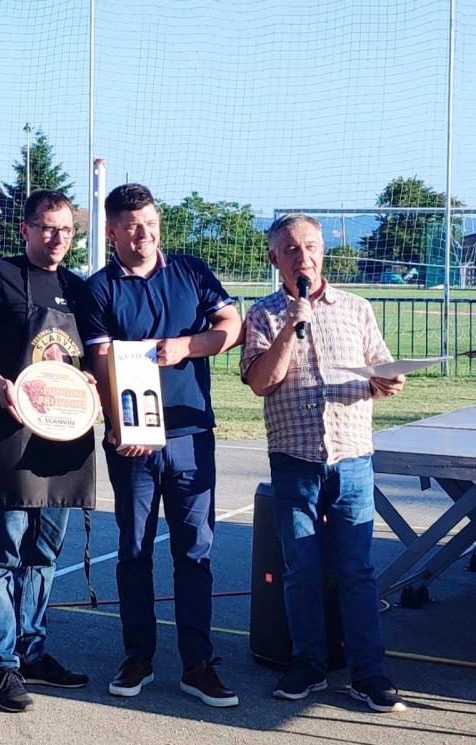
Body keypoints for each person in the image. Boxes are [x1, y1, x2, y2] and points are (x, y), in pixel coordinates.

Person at [76, 183, 242, 708]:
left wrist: (187, 346)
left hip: (191, 436)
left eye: (149, 223)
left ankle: (197, 664)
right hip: (135, 442)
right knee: (134, 549)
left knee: (194, 551)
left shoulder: (191, 271)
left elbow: (232, 326)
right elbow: (102, 364)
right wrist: (120, 426)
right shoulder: (98, 289)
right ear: (111, 232)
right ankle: (138, 656)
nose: (143, 234)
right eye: (131, 226)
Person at [240, 213, 407, 713]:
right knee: (301, 569)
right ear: (275, 259)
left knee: (357, 569)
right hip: (294, 459)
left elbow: (381, 371)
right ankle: (308, 663)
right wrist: (292, 325)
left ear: (322, 252)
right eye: (290, 249)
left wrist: (389, 381)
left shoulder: (356, 308)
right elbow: (261, 382)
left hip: (352, 457)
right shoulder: (263, 315)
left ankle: (368, 672)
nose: (303, 257)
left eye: (310, 246)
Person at [0, 190, 95, 712]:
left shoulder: (79, 289)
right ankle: (2, 664)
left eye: (65, 229)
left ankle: (32, 650)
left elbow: (90, 359)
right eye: (46, 227)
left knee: (44, 554)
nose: (57, 237)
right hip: (14, 435)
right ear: (25, 229)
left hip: (65, 437)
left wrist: (90, 381)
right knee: (4, 554)